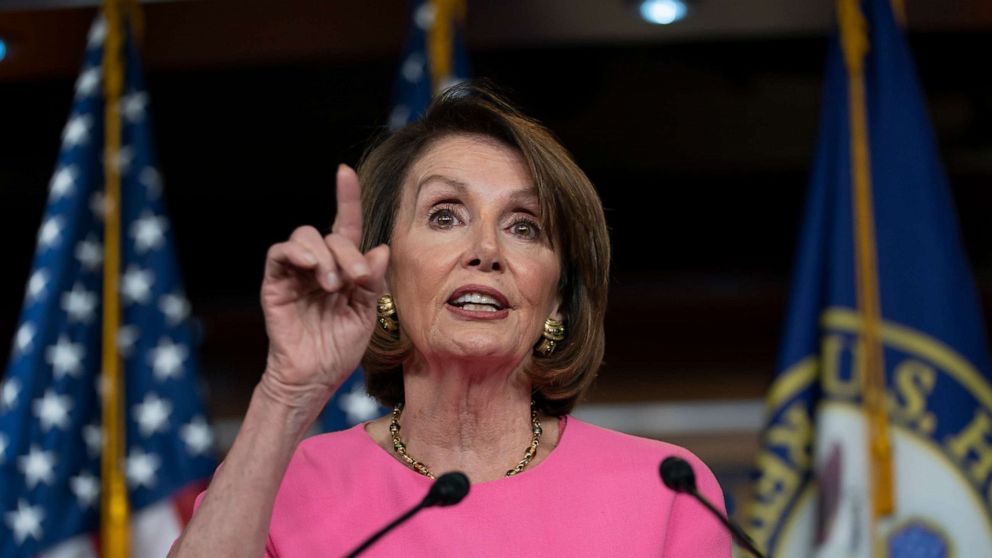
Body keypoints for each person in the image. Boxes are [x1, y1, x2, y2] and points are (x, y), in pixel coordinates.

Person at [170, 83, 732, 557]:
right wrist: (286, 392)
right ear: (383, 274)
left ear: (558, 297)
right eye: (444, 216)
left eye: (524, 226)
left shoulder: (663, 490)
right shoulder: (282, 486)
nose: (485, 249)